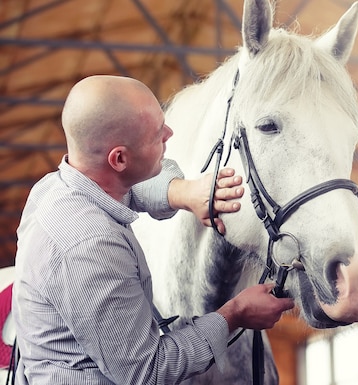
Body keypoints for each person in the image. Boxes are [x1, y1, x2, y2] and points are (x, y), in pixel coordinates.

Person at [12, 75, 295, 384]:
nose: (169, 134)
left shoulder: (56, 187)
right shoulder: (91, 247)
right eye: (157, 134)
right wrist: (235, 313)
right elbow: (148, 371)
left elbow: (130, 186)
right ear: (119, 158)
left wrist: (183, 192)